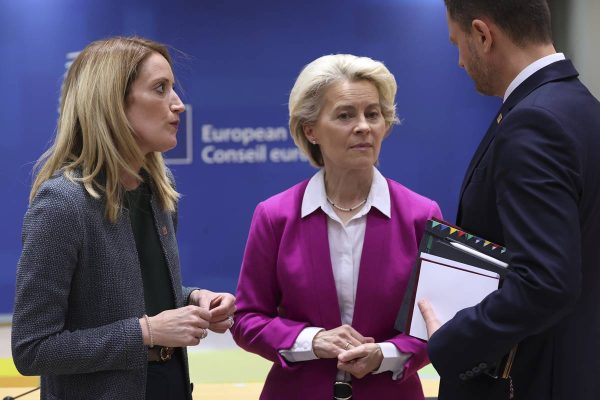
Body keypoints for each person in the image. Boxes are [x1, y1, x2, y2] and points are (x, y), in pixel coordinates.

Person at [11, 36, 236, 400]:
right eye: (160, 89)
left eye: (173, 88)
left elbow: (126, 294)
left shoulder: (160, 192)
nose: (178, 105)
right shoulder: (62, 205)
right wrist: (146, 332)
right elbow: (33, 348)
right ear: (112, 104)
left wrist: (194, 299)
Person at [231, 54, 442, 400]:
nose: (363, 126)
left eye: (373, 114)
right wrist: (311, 340)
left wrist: (385, 355)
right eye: (345, 115)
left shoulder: (421, 215)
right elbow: (247, 320)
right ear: (310, 129)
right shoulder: (275, 215)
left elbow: (435, 325)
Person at [418, 1, 600, 399]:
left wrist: (453, 340)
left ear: (483, 35)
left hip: (528, 380)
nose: (460, 61)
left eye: (457, 43)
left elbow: (546, 282)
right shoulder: (582, 107)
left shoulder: (535, 122)